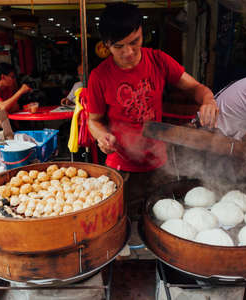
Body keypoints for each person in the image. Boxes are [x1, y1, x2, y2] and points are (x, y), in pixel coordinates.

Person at [86, 3, 218, 219]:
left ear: (142, 33)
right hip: (122, 167)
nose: (128, 52)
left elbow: (195, 87)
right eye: (119, 46)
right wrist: (101, 137)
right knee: (122, 225)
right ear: (106, 45)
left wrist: (208, 100)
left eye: (134, 42)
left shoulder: (158, 60)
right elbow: (94, 120)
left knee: (163, 221)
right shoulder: (99, 76)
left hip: (159, 163)